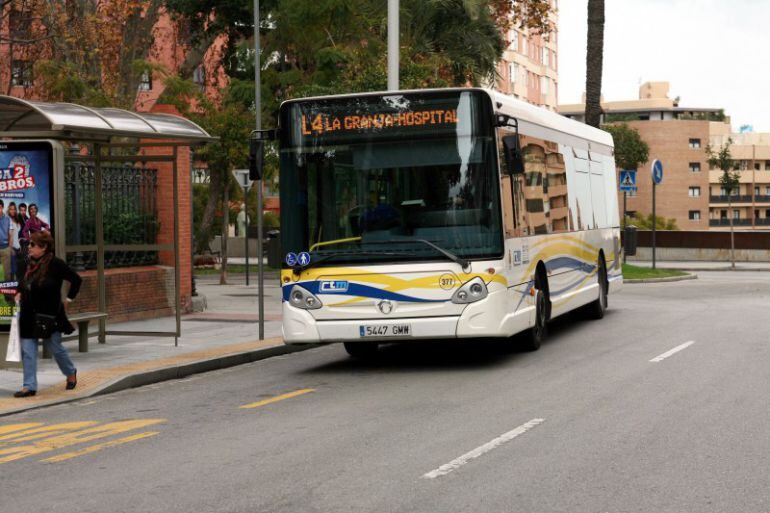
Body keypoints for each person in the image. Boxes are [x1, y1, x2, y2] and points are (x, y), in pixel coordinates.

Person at [13, 231, 82, 398]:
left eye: (32, 245)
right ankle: (29, 386)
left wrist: (69, 299)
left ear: (43, 248)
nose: (28, 247)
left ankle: (70, 372)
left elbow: (76, 279)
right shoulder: (27, 264)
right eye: (29, 244)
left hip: (49, 316)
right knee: (28, 352)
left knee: (56, 349)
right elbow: (24, 284)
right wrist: (18, 293)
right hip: (29, 314)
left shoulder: (56, 264)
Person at [7, 202, 23, 279]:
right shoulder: (7, 220)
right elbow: (8, 236)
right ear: (8, 210)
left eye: (14, 209)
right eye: (11, 209)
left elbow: (16, 235)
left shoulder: (17, 220)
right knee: (13, 271)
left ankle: (18, 289)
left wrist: (19, 244)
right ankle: (11, 289)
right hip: (12, 248)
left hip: (18, 248)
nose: (12, 211)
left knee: (19, 271)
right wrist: (10, 248)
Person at [0, 200, 11, 282]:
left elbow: (10, 233)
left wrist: (9, 248)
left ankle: (8, 294)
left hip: (5, 248)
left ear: (2, 207)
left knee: (7, 273)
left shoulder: (8, 219)